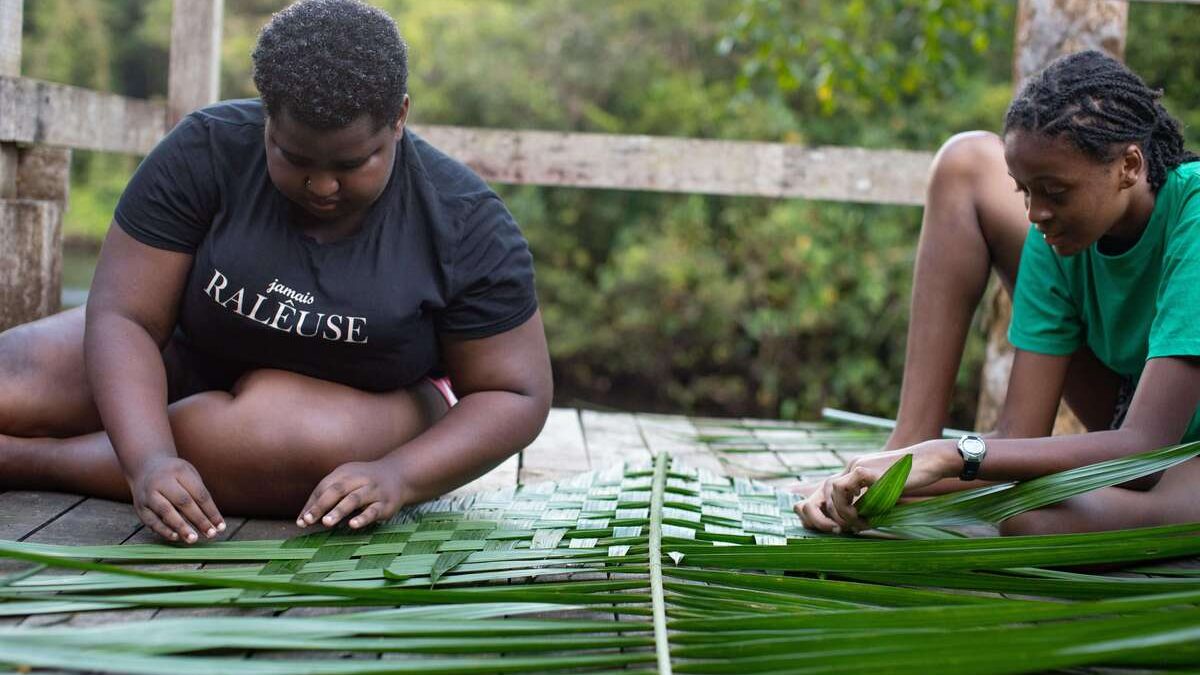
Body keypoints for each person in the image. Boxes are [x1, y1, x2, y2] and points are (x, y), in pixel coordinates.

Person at [0, 0, 552, 544]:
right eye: (294, 158)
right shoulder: (206, 148)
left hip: (371, 399)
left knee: (279, 435)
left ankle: (29, 460)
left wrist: (400, 475)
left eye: (352, 164)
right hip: (191, 348)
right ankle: (147, 443)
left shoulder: (464, 221)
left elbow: (514, 392)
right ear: (267, 117)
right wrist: (149, 458)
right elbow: (126, 317)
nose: (322, 186)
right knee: (15, 380)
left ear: (400, 117)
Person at [797, 50, 1200, 536]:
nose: (1035, 213)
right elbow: (1019, 438)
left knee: (1032, 523)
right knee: (1021, 511)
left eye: (1054, 192)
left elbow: (1144, 452)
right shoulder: (1055, 241)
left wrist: (947, 453)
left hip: (1164, 450)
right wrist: (874, 476)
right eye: (1024, 192)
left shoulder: (1192, 215)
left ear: (1129, 166)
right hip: (1133, 427)